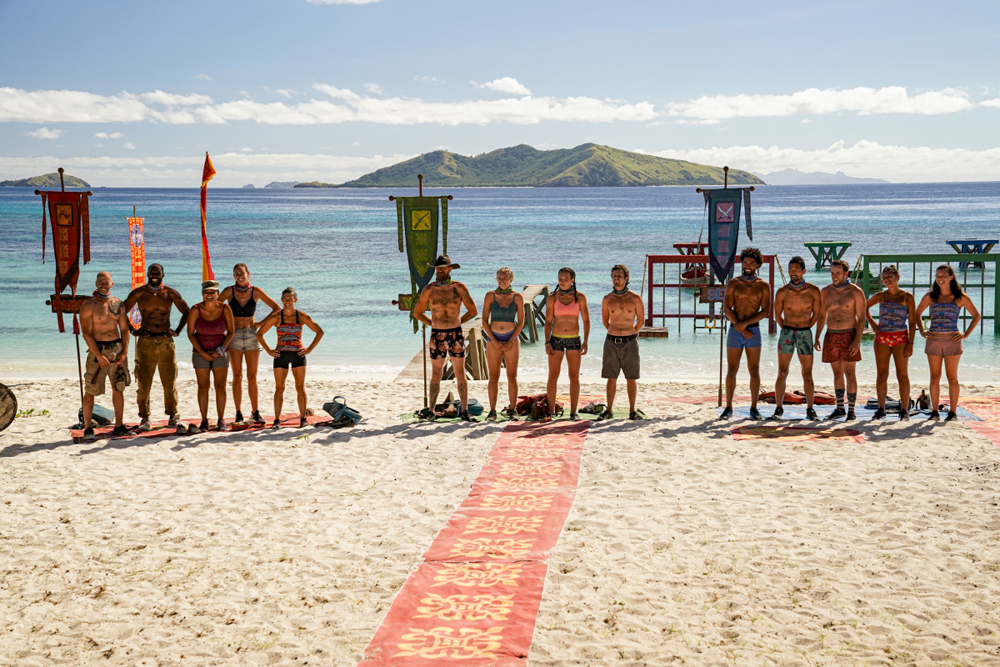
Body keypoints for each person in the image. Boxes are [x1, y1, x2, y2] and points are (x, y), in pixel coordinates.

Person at [122, 263, 190, 433]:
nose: (154, 275)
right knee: (144, 381)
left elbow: (187, 311)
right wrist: (133, 330)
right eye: (151, 272)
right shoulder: (139, 293)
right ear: (147, 274)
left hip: (166, 342)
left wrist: (177, 331)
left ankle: (173, 415)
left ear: (163, 275)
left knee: (169, 380)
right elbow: (121, 311)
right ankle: (144, 417)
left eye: (157, 273)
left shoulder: (170, 293)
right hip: (145, 343)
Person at [412, 255, 479, 421]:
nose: (440, 271)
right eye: (437, 268)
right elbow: (417, 313)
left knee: (460, 373)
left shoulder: (459, 287)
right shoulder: (429, 289)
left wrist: (457, 323)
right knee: (436, 373)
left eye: (443, 268)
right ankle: (431, 411)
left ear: (450, 269)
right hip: (437, 335)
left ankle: (464, 410)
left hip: (455, 335)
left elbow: (473, 311)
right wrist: (433, 325)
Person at [915, 265, 981, 422]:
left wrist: (965, 334)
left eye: (943, 275)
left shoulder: (960, 297)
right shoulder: (931, 296)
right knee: (935, 377)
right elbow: (917, 313)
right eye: (938, 275)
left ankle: (952, 413)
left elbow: (976, 316)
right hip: (934, 340)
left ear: (951, 277)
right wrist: (922, 331)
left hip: (953, 341)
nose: (940, 278)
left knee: (952, 377)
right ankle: (935, 412)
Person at [220, 263, 279, 424]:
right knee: (237, 376)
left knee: (252, 376)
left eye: (242, 273)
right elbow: (216, 309)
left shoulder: (256, 291)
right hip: (235, 336)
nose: (239, 275)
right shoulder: (228, 291)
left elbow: (276, 308)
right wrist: (227, 325)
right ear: (233, 276)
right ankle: (238, 413)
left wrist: (262, 324)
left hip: (253, 335)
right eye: (236, 273)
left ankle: (255, 412)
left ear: (248, 274)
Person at [256, 287, 324, 428]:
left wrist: (309, 349)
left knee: (300, 387)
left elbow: (319, 331)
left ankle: (303, 419)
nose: (287, 301)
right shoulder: (276, 317)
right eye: (285, 299)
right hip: (281, 355)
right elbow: (259, 333)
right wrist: (268, 350)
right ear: (281, 300)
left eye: (290, 299)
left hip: (298, 354)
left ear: (295, 300)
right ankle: (276, 420)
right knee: (279, 388)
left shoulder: (301, 316)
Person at [79, 271, 131, 441]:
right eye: (100, 281)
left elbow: (124, 329)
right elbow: (86, 333)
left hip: (116, 348)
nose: (103, 284)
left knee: (119, 387)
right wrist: (98, 355)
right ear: (96, 283)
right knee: (90, 389)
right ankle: (87, 427)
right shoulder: (89, 305)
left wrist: (124, 353)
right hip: (98, 351)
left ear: (112, 284)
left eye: (106, 281)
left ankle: (119, 426)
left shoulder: (118, 304)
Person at [721, 248, 771, 420]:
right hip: (735, 331)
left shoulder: (763, 285)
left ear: (757, 265)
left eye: (751, 263)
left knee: (754, 369)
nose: (747, 266)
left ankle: (754, 407)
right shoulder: (734, 283)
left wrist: (746, 325)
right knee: (732, 369)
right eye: (745, 262)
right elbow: (727, 308)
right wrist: (738, 325)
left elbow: (765, 311)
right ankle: (728, 406)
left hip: (753, 331)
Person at [771, 256, 822, 420]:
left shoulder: (813, 290)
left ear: (804, 271)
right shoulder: (783, 292)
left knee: (807, 373)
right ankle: (778, 408)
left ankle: (810, 409)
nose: (793, 273)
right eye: (791, 270)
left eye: (797, 270)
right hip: (787, 332)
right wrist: (786, 328)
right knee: (782, 372)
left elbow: (817, 314)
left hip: (805, 333)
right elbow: (777, 314)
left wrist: (806, 327)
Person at [816, 259, 866, 421]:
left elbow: (861, 318)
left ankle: (851, 411)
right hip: (831, 334)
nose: (834, 276)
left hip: (848, 334)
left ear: (846, 273)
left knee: (850, 374)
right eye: (832, 273)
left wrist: (857, 340)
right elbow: (822, 315)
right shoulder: (825, 291)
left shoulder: (856, 292)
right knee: (837, 373)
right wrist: (817, 336)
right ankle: (840, 408)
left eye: (838, 273)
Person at [865, 265, 916, 420]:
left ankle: (905, 410)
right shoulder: (881, 296)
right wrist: (873, 325)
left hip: (901, 338)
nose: (887, 280)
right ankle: (881, 409)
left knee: (902, 375)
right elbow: (863, 307)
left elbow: (913, 322)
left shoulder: (907, 297)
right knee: (882, 374)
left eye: (890, 277)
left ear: (897, 277)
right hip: (882, 338)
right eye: (884, 278)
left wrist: (911, 343)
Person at [187, 280, 235, 432]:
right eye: (206, 292)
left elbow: (231, 332)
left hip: (221, 352)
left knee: (220, 386)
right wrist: (202, 352)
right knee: (203, 386)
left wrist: (219, 350)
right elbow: (190, 334)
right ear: (202, 294)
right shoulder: (195, 309)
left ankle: (221, 420)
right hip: (200, 351)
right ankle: (204, 420)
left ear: (217, 294)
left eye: (212, 292)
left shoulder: (225, 308)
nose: (209, 295)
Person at [599, 264, 644, 420]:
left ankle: (632, 411)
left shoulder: (635, 298)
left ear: (626, 278)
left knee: (631, 378)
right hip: (611, 341)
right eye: (614, 276)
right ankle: (609, 410)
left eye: (619, 276)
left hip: (630, 342)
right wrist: (615, 331)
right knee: (611, 378)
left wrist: (629, 333)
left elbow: (641, 321)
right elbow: (606, 321)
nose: (616, 279)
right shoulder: (607, 299)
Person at [545, 267, 590, 420]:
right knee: (553, 375)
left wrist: (586, 342)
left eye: (565, 279)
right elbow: (548, 322)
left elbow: (586, 321)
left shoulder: (580, 297)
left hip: (574, 339)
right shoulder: (552, 297)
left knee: (574, 376)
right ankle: (550, 411)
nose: (562, 282)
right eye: (560, 279)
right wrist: (546, 342)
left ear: (572, 280)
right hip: (556, 339)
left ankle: (573, 412)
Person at [481, 267, 525, 421]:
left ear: (511, 279)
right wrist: (493, 339)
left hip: (511, 339)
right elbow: (484, 321)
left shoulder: (518, 297)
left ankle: (513, 409)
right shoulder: (490, 296)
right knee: (493, 376)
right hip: (493, 339)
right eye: (500, 278)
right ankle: (492, 411)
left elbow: (521, 323)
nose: (502, 280)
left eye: (505, 278)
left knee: (512, 376)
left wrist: (511, 341)